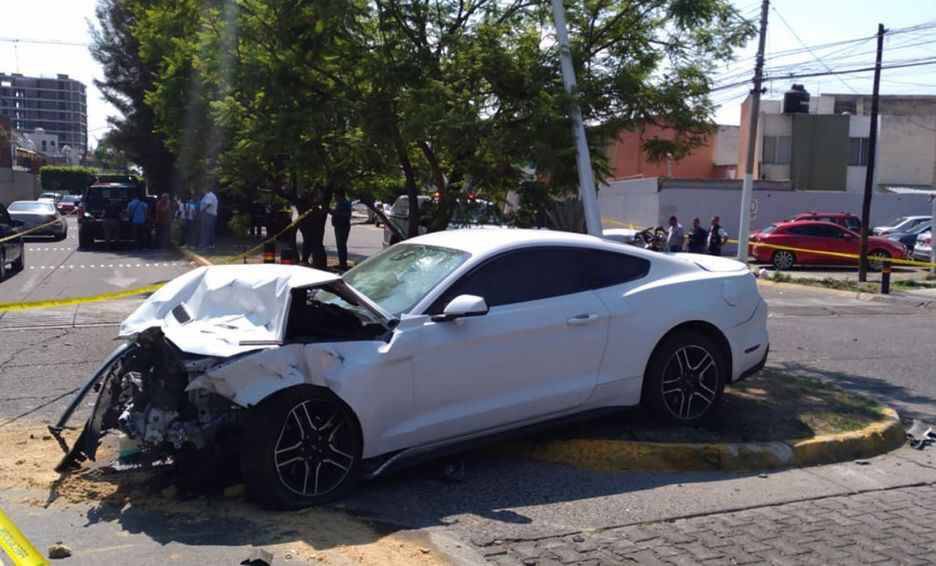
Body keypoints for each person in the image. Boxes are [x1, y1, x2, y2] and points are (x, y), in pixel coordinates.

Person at [331, 189, 352, 270]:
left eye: (335, 196)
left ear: (340, 195)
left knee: (341, 245)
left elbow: (341, 215)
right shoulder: (341, 203)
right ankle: (342, 263)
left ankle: (343, 264)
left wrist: (331, 211)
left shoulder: (344, 203)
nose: (334, 197)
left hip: (342, 226)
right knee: (341, 246)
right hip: (341, 225)